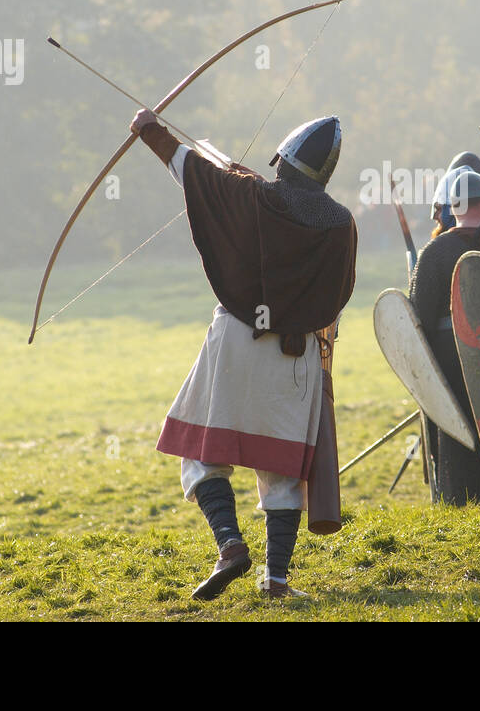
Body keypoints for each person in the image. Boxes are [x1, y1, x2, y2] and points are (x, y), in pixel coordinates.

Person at [132, 110, 357, 601]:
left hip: (237, 342)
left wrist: (150, 129)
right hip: (296, 356)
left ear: (287, 160)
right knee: (280, 469)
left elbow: (191, 169)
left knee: (201, 451)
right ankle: (276, 580)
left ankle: (230, 545)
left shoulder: (254, 199)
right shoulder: (340, 225)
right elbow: (337, 295)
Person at [409, 169, 480, 504]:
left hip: (450, 358)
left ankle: (458, 500)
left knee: (457, 429)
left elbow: (418, 317)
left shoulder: (435, 251)